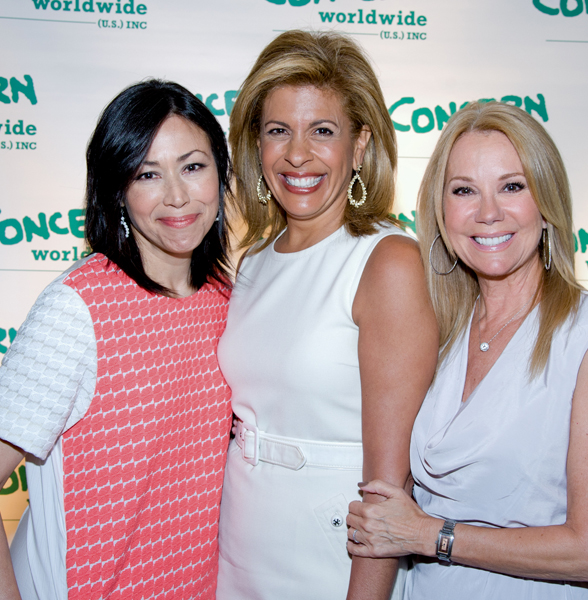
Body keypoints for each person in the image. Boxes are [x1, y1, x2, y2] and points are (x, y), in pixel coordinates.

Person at [0, 80, 234, 600]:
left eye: (193, 166)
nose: (176, 195)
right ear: (117, 190)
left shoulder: (226, 297)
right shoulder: (77, 308)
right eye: (147, 174)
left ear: (221, 173)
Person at [345, 101, 588, 599]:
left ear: (546, 203)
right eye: (464, 190)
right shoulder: (440, 333)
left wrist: (429, 535)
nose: (488, 213)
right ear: (441, 213)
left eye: (512, 186)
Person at [215, 30, 438, 600]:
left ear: (360, 144)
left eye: (322, 131)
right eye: (277, 131)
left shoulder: (387, 262)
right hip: (240, 541)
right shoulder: (253, 262)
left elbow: (391, 487)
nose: (297, 153)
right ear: (256, 144)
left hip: (331, 554)